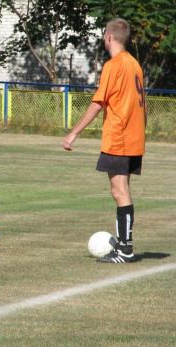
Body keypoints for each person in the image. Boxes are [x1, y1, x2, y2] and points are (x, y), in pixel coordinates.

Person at [62, 18, 146, 263]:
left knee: (119, 192)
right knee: (123, 191)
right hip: (133, 137)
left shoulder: (114, 65)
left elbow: (98, 102)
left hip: (118, 137)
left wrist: (74, 132)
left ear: (109, 36)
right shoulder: (134, 64)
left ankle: (124, 250)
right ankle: (124, 247)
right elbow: (144, 104)